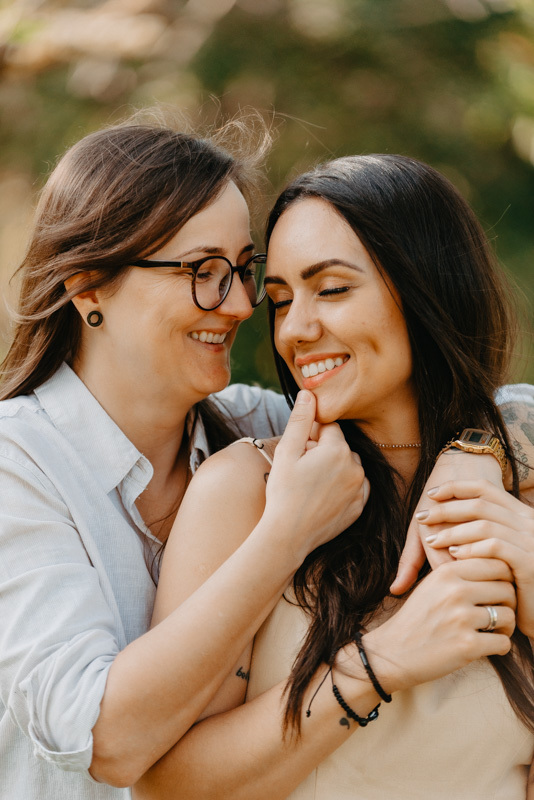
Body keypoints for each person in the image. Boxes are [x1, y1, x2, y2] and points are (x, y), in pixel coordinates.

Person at [135, 154, 534, 800]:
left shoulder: (515, 479)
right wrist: (380, 664)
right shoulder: (248, 491)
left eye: (333, 289)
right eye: (284, 300)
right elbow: (168, 784)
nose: (296, 330)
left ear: (427, 287)